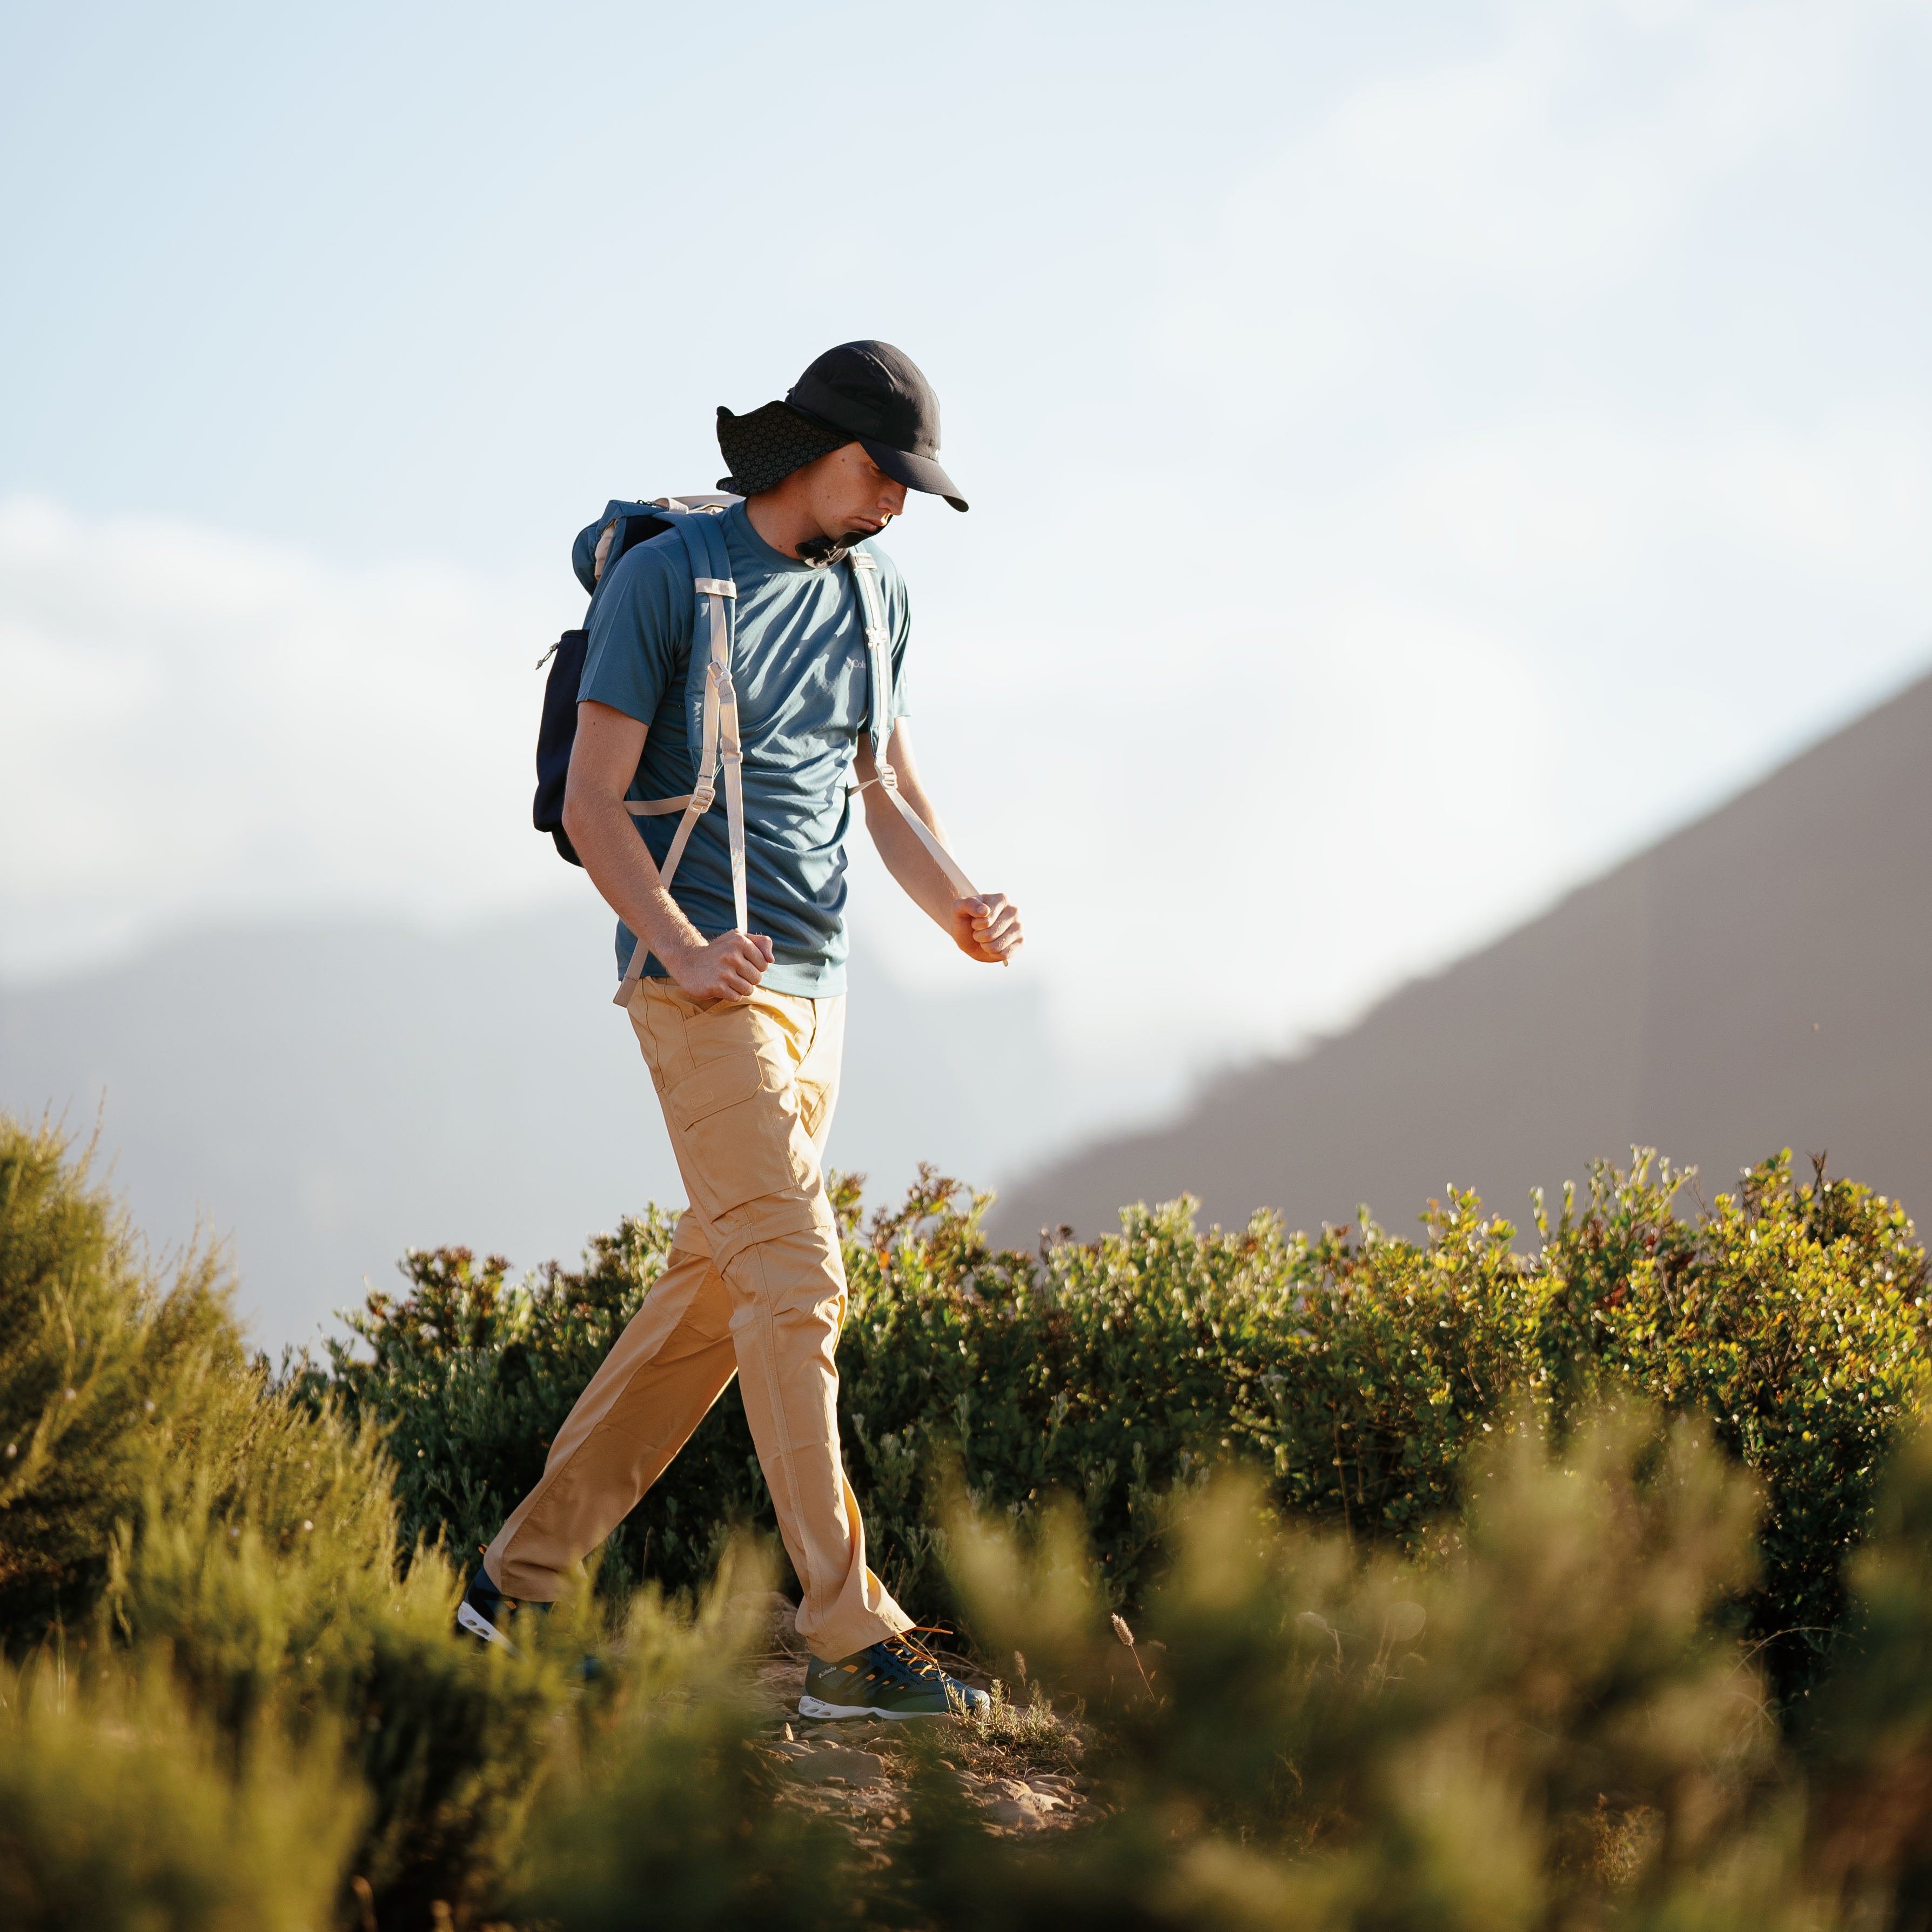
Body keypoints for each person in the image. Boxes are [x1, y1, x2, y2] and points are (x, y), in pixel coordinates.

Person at [459, 341, 1023, 1720]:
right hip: (698, 989)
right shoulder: (669, 582)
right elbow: (593, 807)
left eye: (912, 488)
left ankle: (508, 1598)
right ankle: (852, 1635)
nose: (896, 506)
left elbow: (880, 779)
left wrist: (960, 902)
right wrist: (683, 948)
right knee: (800, 1281)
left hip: (818, 993)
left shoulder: (880, 594)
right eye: (884, 476)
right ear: (815, 448)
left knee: (712, 1307)